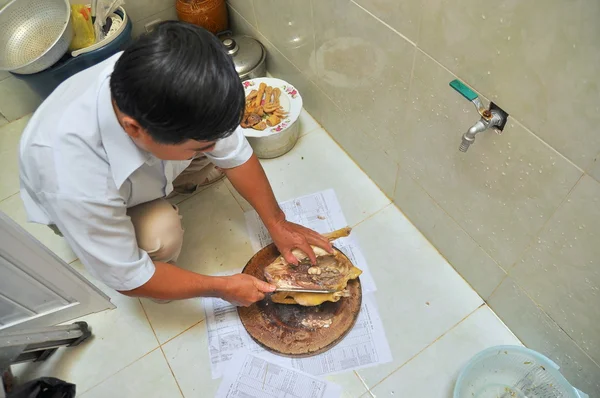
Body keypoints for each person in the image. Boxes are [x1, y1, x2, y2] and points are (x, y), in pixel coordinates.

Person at [18, 21, 331, 307]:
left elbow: (234, 153)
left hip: (154, 155)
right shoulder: (73, 180)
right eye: (203, 146)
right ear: (134, 129)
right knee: (162, 233)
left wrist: (278, 222)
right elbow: (129, 279)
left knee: (216, 160)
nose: (215, 147)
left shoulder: (168, 82)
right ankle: (152, 211)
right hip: (88, 200)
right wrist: (220, 287)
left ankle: (177, 169)